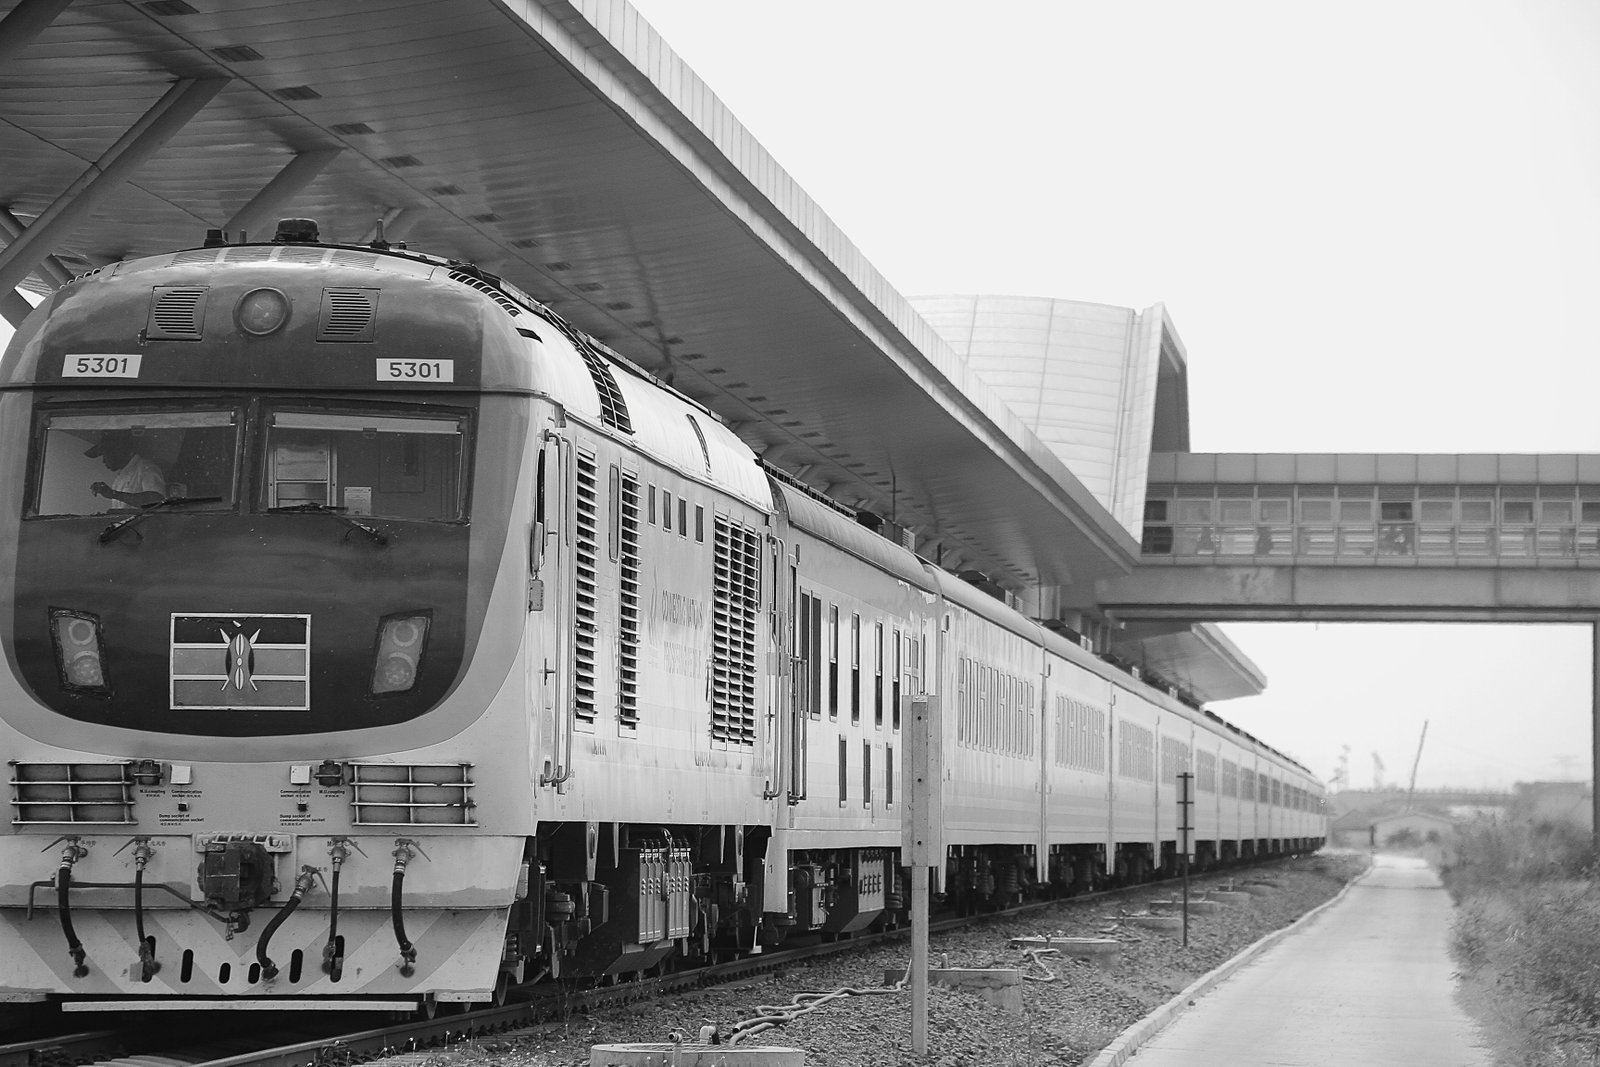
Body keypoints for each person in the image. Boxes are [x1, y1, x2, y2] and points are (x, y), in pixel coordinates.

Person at [86, 432, 167, 508]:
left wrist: (113, 494)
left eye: (105, 454)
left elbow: (157, 500)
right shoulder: (120, 477)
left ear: (118, 451)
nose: (103, 461)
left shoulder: (146, 468)